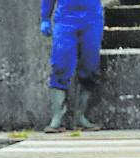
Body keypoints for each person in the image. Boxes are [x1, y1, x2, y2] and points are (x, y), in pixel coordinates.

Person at [40, 0, 104, 133]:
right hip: (65, 18)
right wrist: (45, 17)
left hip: (92, 18)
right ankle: (57, 117)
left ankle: (81, 115)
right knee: (60, 64)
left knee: (90, 67)